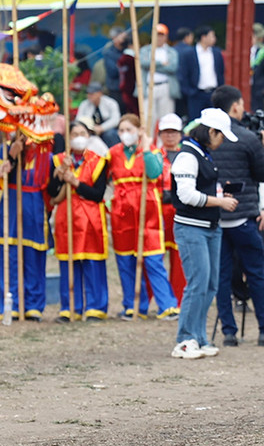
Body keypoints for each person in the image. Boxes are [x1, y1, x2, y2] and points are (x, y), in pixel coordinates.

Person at [208, 85, 264, 348]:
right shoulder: (246, 138)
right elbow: (262, 174)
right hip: (245, 217)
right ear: (234, 106)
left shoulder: (206, 138)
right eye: (241, 105)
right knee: (256, 273)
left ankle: (229, 331)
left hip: (216, 217)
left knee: (221, 276)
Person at [169, 109, 239, 359]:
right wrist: (218, 202)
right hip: (191, 228)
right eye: (221, 136)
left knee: (210, 285)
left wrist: (219, 198)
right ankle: (185, 339)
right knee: (197, 284)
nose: (221, 142)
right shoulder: (187, 156)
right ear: (211, 132)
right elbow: (185, 195)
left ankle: (199, 337)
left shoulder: (204, 155)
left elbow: (201, 190)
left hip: (209, 227)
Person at [109, 114, 178, 320]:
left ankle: (167, 305)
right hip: (122, 211)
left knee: (153, 259)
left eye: (129, 130)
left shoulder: (153, 152)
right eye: (121, 130)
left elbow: (155, 172)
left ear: (139, 131)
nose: (124, 134)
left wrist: (147, 148)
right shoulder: (112, 153)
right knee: (125, 260)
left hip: (147, 209)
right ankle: (133, 305)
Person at [50, 123, 107, 321]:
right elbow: (51, 191)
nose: (78, 137)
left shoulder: (99, 161)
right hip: (66, 216)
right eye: (74, 134)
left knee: (92, 262)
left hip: (91, 217)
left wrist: (75, 183)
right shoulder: (58, 160)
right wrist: (60, 174)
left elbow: (98, 194)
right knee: (68, 263)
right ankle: (70, 308)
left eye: (82, 134)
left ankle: (95, 307)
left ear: (89, 136)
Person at [155, 113, 186, 305]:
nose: (170, 136)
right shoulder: (154, 156)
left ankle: (179, 299)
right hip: (157, 211)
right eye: (166, 132)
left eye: (173, 132)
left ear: (180, 134)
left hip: (180, 211)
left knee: (179, 257)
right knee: (155, 256)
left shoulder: (187, 155)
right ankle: (160, 299)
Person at [179, 27, 224, 119]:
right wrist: (190, 91)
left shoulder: (216, 53)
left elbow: (221, 71)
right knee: (195, 122)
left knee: (214, 121)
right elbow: (183, 74)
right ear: (203, 37)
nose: (214, 38)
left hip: (213, 93)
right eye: (212, 36)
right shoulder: (189, 53)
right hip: (196, 94)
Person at [141, 24, 180, 121]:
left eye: (161, 35)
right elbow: (143, 63)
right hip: (149, 86)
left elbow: (172, 67)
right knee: (148, 118)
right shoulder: (145, 50)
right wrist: (161, 63)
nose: (159, 38)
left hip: (165, 86)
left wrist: (152, 66)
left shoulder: (171, 51)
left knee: (166, 118)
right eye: (157, 35)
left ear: (166, 37)